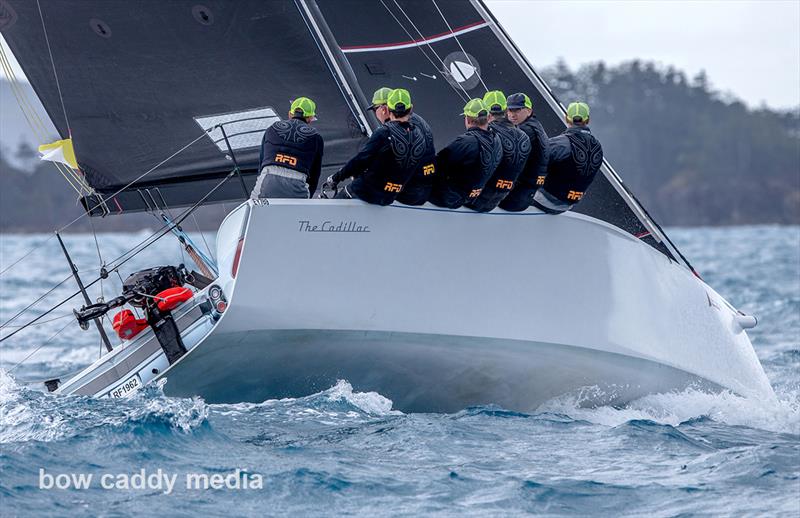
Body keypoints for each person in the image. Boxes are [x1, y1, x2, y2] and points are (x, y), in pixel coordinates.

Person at [324, 88, 426, 205]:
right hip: (390, 197)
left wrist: (336, 178)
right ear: (410, 108)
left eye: (374, 109)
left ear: (385, 109)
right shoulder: (419, 135)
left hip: (366, 192)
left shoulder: (384, 132)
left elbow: (361, 161)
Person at [366, 86, 437, 205]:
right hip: (427, 187)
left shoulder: (392, 129)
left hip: (409, 192)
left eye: (375, 109)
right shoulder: (418, 120)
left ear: (384, 108)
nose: (375, 114)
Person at [429, 99, 502, 209]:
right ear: (488, 118)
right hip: (472, 198)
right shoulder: (497, 141)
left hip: (448, 198)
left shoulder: (465, 142)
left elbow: (438, 164)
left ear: (468, 119)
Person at [533, 102, 603, 214]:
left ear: (566, 118)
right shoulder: (598, 147)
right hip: (568, 205)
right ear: (588, 120)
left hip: (544, 201)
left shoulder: (560, 143)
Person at [466, 90, 530, 212]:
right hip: (497, 201)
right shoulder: (524, 136)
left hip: (473, 200)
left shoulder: (485, 133)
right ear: (506, 111)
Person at [251, 97, 324, 199]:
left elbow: (261, 162)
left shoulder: (272, 128)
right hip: (297, 185)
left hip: (268, 179)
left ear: (290, 114)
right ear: (310, 118)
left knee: (256, 212)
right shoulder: (316, 137)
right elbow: (315, 175)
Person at [499, 93, 549, 211]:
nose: (512, 114)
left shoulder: (525, 130)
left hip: (517, 197)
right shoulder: (535, 126)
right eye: (509, 110)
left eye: (517, 110)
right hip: (529, 193)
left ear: (529, 111)